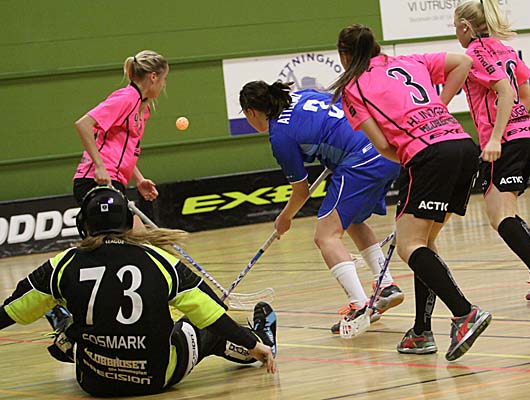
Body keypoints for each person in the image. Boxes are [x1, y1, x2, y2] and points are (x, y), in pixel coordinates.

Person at [0, 186, 276, 397]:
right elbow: (214, 313)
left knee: (76, 329)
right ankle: (263, 343)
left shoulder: (62, 264)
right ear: (129, 220)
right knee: (204, 331)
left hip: (95, 383)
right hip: (154, 379)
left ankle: (65, 334)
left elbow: (11, 311)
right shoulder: (161, 261)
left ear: (83, 223)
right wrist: (253, 345)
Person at [330, 24, 491, 361]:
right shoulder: (411, 60)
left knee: (409, 246)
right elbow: (463, 62)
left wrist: (412, 153)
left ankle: (464, 313)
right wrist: (440, 108)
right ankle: (421, 331)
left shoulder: (353, 88)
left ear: (345, 55)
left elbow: (382, 144)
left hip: (428, 155)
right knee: (424, 245)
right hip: (462, 146)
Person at [239, 81, 404, 334]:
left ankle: (359, 307)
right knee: (352, 220)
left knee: (326, 236)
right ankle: (386, 286)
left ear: (251, 112)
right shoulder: (304, 95)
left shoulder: (280, 135)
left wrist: (285, 217)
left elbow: (301, 191)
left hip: (360, 162)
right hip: (385, 151)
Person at [454, 0, 530, 312]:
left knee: (499, 216)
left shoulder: (474, 54)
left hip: (506, 143)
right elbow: (526, 96)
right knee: (507, 212)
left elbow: (505, 92)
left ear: (465, 27)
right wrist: (517, 123)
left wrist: (495, 136)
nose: (456, 33)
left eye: (456, 27)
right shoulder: (505, 50)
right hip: (529, 136)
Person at [73, 50, 167, 228]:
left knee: (134, 237)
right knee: (128, 236)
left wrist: (138, 179)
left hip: (115, 180)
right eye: (164, 79)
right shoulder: (126, 98)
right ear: (153, 77)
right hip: (96, 181)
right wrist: (100, 167)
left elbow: (123, 150)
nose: (163, 85)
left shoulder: (143, 108)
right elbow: (83, 124)